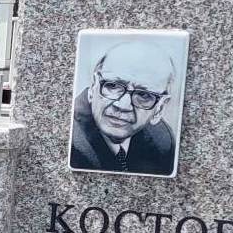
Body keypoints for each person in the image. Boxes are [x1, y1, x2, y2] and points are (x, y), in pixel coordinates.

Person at [69, 38, 178, 175]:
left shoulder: (162, 140)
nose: (123, 105)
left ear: (159, 109)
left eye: (143, 95)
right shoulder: (72, 140)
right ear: (93, 87)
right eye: (113, 86)